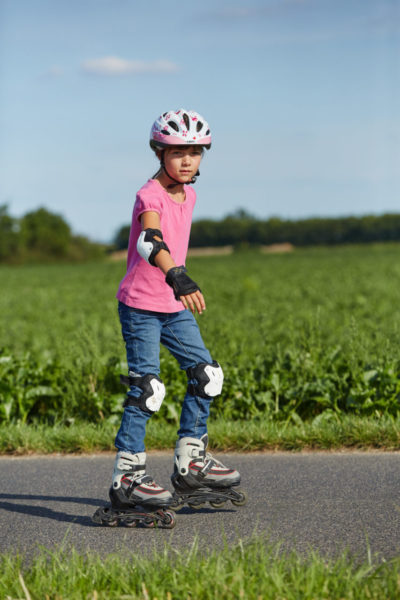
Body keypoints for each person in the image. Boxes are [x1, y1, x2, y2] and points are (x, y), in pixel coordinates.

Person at [110, 109, 241, 514]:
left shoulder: (191, 194)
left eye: (195, 152)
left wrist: (177, 286)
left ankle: (191, 462)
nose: (186, 160)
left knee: (208, 376)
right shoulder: (148, 195)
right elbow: (150, 239)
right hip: (141, 305)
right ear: (159, 152)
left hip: (172, 304)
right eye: (177, 152)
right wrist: (178, 276)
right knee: (148, 389)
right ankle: (127, 478)